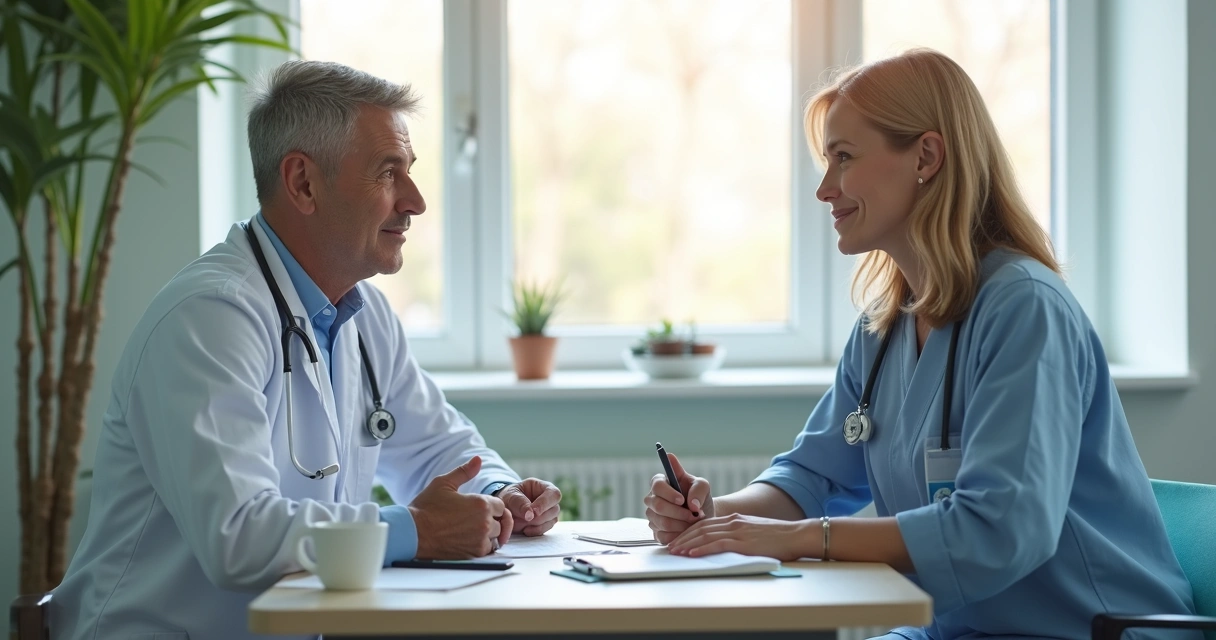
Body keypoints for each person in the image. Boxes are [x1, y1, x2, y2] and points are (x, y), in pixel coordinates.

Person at [644, 49, 1198, 639]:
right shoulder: (883, 329)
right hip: (960, 631)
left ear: (926, 156)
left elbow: (999, 529)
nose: (824, 189)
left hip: (1088, 630)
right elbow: (810, 479)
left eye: (844, 159)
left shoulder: (1025, 309)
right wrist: (714, 513)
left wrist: (802, 539)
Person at [51, 60, 561, 640]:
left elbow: (442, 451)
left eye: (410, 172)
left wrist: (501, 494)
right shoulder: (209, 317)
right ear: (303, 183)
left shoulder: (364, 315)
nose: (416, 202)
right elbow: (239, 538)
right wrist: (414, 530)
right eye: (388, 173)